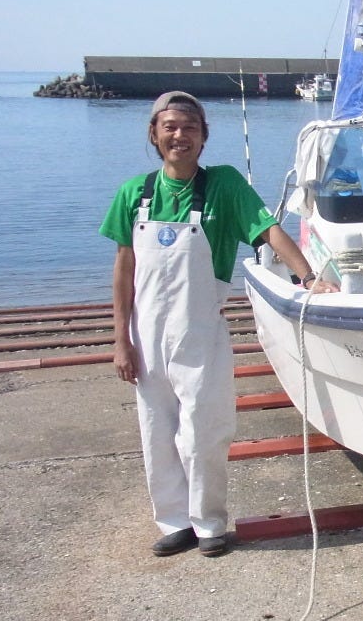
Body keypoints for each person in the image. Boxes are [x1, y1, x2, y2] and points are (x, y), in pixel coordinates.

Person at [100, 91, 335, 558]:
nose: (179, 136)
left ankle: (209, 523)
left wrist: (308, 278)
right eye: (169, 127)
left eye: (190, 127)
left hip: (200, 335)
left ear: (204, 136)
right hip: (147, 338)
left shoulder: (224, 186)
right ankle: (174, 522)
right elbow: (124, 269)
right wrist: (121, 340)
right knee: (156, 433)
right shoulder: (133, 194)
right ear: (154, 134)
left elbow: (268, 230)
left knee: (204, 432)